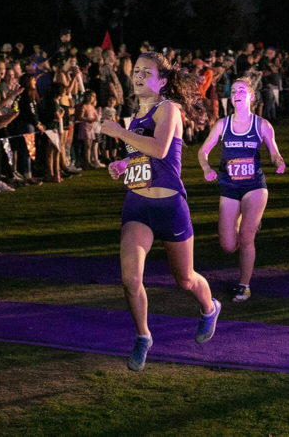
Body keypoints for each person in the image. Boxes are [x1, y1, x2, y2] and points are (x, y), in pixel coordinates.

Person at [102, 51, 220, 372]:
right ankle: (143, 336)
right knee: (130, 280)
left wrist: (117, 132)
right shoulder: (134, 119)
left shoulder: (169, 109)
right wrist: (123, 164)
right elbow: (144, 158)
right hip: (138, 205)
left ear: (162, 81)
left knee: (184, 279)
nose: (138, 75)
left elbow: (159, 149)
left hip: (170, 206)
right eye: (136, 71)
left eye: (146, 72)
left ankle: (209, 308)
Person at [198, 77, 285, 302]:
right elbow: (203, 151)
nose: (237, 93)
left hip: (254, 186)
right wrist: (206, 167)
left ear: (251, 96)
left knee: (246, 237)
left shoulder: (262, 125)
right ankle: (246, 221)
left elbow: (273, 151)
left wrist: (278, 161)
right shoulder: (222, 125)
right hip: (229, 186)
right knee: (228, 245)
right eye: (234, 90)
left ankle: (244, 285)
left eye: (242, 90)